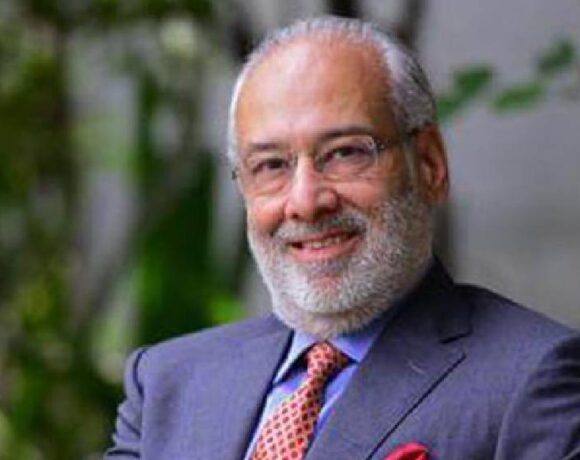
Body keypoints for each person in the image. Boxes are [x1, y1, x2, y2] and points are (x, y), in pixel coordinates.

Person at [105, 16, 580, 460]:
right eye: (271, 165)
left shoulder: (531, 378)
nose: (305, 201)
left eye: (345, 153)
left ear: (430, 165)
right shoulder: (167, 382)